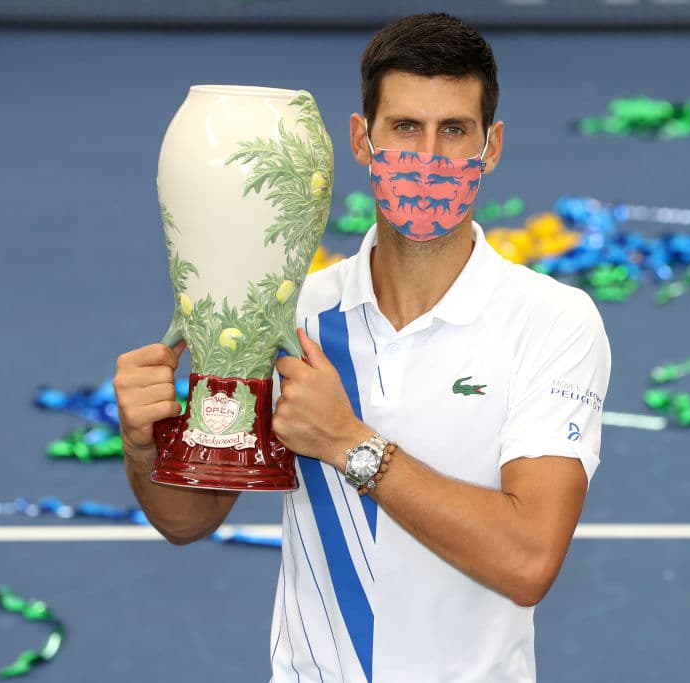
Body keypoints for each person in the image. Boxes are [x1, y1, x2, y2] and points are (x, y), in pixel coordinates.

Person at [113, 12, 610, 682]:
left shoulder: (553, 321)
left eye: (453, 131)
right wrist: (145, 445)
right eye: (405, 128)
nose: (429, 157)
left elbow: (528, 560)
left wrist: (350, 444)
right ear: (361, 139)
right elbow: (186, 518)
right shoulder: (292, 311)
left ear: (490, 148)